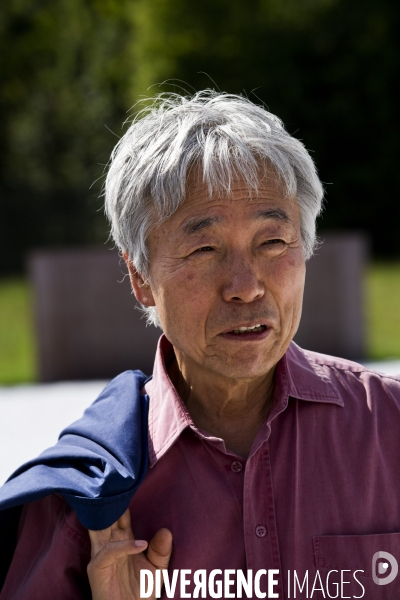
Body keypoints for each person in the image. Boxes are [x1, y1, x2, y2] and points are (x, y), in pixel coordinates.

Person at [1, 90, 400, 600]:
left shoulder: (387, 429)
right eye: (204, 249)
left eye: (273, 241)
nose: (245, 286)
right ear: (139, 276)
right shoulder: (88, 498)